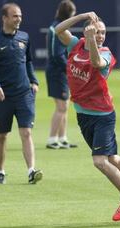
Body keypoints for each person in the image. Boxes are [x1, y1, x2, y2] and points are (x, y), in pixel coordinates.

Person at [54, 12, 120, 221]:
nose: (101, 35)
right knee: (113, 159)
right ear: (85, 30)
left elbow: (95, 62)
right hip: (83, 115)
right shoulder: (76, 43)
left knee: (100, 161)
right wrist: (82, 16)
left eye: (103, 32)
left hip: (102, 115)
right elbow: (58, 30)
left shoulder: (106, 54)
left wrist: (91, 39)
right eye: (97, 31)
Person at [0, 3, 43, 185]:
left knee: (26, 132)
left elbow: (29, 61)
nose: (19, 19)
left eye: (20, 16)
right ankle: (0, 172)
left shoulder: (25, 37)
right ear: (5, 18)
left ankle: (31, 171)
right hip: (3, 96)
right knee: (2, 135)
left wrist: (34, 81)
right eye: (15, 16)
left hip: (24, 94)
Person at [45, 0, 78, 149]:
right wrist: (70, 69)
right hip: (57, 71)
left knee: (65, 105)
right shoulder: (55, 29)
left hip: (61, 71)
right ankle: (52, 139)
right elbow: (57, 55)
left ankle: (62, 138)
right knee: (61, 106)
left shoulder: (59, 27)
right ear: (68, 14)